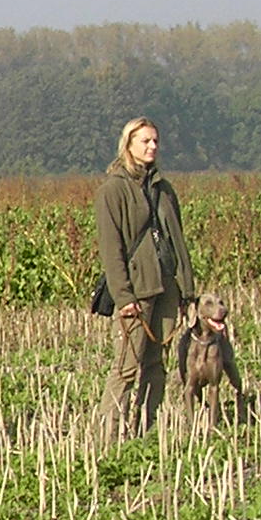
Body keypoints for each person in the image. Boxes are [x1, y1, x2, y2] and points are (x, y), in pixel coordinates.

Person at [94, 117, 197, 437]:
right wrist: (123, 298)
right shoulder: (112, 190)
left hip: (166, 285)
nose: (152, 146)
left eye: (155, 141)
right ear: (128, 145)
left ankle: (147, 433)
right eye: (145, 141)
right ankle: (105, 439)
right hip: (135, 291)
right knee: (125, 368)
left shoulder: (163, 188)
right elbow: (112, 250)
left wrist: (187, 291)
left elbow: (177, 240)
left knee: (155, 366)